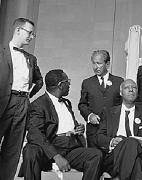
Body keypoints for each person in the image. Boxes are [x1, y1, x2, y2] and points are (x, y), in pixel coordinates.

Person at [18, 69, 102, 180]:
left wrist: (77, 128)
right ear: (60, 85)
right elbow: (35, 134)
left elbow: (62, 123)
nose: (69, 84)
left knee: (95, 155)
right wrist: (56, 156)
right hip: (49, 148)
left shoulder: (67, 102)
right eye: (68, 81)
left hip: (70, 147)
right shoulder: (38, 105)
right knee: (30, 150)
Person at [0, 18, 43, 180]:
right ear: (18, 30)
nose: (31, 37)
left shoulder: (31, 58)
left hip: (22, 103)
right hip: (3, 101)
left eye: (33, 34)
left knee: (13, 147)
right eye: (29, 33)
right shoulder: (1, 51)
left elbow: (39, 80)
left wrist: (28, 96)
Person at [95, 79, 142, 180]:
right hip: (114, 157)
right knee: (136, 163)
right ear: (120, 92)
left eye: (134, 88)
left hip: (141, 154)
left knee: (131, 142)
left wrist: (138, 143)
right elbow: (98, 137)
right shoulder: (109, 113)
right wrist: (112, 141)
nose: (131, 90)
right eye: (127, 88)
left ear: (137, 92)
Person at [78, 50, 123, 148]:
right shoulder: (87, 83)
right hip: (93, 131)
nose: (95, 67)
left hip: (112, 130)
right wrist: (90, 116)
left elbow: (122, 105)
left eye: (99, 63)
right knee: (94, 159)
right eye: (93, 63)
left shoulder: (119, 81)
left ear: (107, 64)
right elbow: (82, 104)